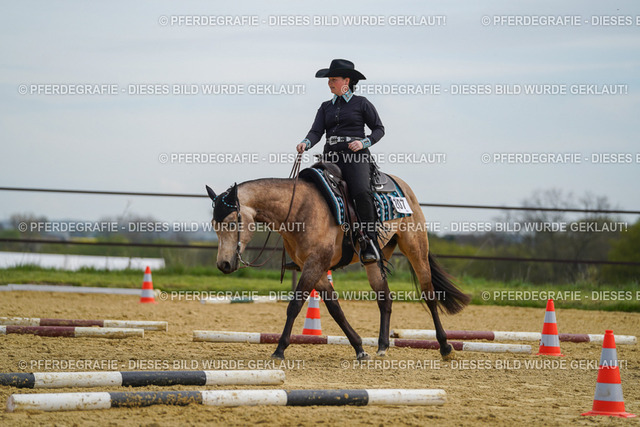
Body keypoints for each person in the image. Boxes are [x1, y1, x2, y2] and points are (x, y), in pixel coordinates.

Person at [296, 59, 385, 264]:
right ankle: (305, 246)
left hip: (355, 157)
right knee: (308, 188)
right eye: (329, 80)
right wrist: (305, 143)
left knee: (361, 192)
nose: (329, 83)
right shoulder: (325, 107)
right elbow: (316, 131)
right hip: (330, 157)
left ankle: (370, 243)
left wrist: (363, 142)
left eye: (333, 79)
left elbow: (379, 129)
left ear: (347, 81)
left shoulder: (362, 103)